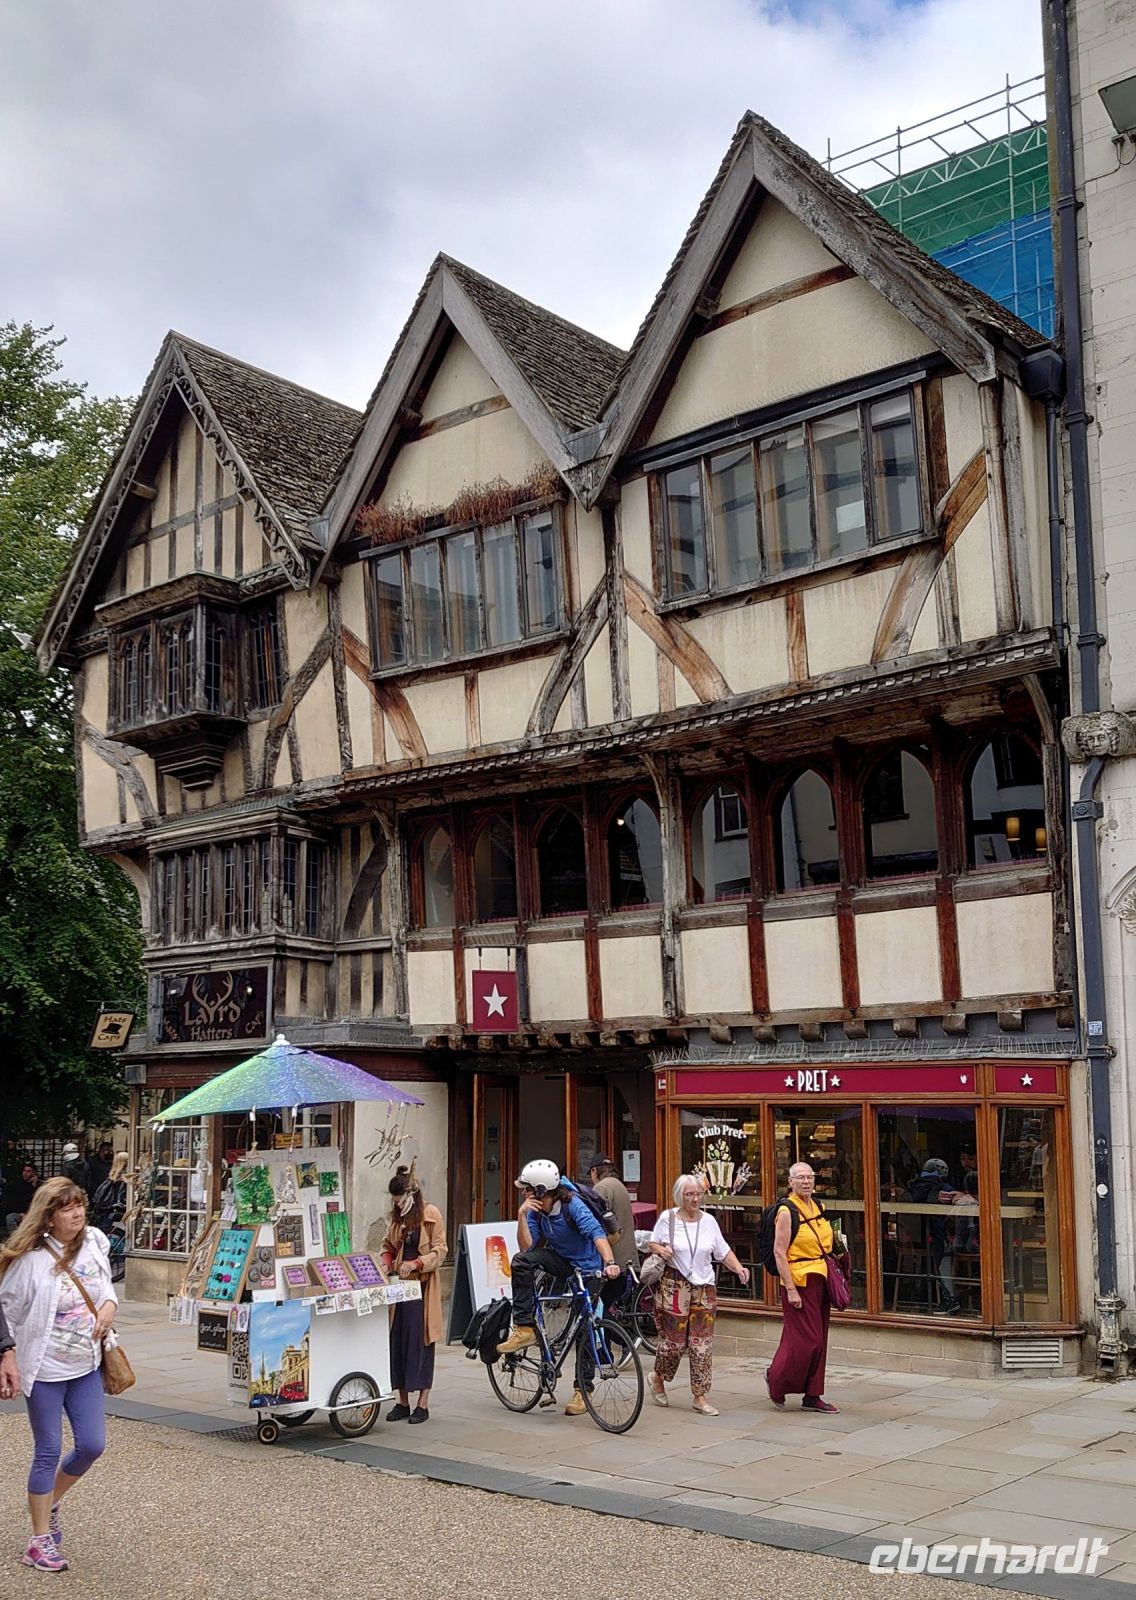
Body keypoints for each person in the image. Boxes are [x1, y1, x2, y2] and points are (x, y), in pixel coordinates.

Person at [0, 1176, 118, 1573]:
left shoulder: (95, 1244)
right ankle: (38, 1541)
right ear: (48, 1217)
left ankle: (49, 1502)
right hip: (45, 1369)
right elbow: (7, 1312)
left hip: (85, 1364)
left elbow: (107, 1289)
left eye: (80, 1205)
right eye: (67, 1208)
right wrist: (8, 1359)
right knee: (48, 1450)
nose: (77, 1213)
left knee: (92, 1445)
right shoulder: (31, 1262)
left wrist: (108, 1310)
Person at [497, 1159, 622, 1417]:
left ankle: (583, 1389)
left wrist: (609, 1263)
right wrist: (522, 1215)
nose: (524, 1193)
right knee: (521, 1262)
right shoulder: (535, 1210)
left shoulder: (572, 1206)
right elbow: (526, 1247)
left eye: (528, 1189)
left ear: (543, 1190)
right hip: (562, 1261)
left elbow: (598, 1235)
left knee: (585, 1325)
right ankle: (524, 1327)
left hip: (587, 1267)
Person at [647, 1173, 750, 1415]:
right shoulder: (668, 1218)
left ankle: (700, 1396)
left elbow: (722, 1250)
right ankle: (658, 1377)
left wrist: (739, 1268)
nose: (695, 1199)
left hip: (704, 1288)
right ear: (679, 1196)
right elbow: (653, 1243)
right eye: (690, 1195)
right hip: (675, 1285)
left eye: (698, 1194)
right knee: (673, 1343)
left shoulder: (709, 1222)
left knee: (701, 1344)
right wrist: (662, 1250)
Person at [765, 1162, 842, 1413]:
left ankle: (813, 1395)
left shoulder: (818, 1206)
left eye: (809, 1177)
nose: (806, 1182)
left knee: (820, 1340)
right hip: (799, 1281)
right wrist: (790, 1289)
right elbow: (779, 1252)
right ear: (790, 1182)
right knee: (806, 1341)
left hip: (821, 1279)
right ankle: (776, 1380)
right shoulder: (787, 1211)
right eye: (800, 1178)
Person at [379, 1163, 446, 1425]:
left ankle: (423, 1404)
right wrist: (387, 1261)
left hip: (422, 1288)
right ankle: (402, 1401)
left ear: (411, 1194)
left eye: (401, 1199)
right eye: (394, 1200)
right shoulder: (397, 1218)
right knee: (398, 1340)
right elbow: (388, 1245)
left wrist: (417, 1263)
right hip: (399, 1287)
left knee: (421, 1342)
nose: (397, 1204)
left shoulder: (431, 1214)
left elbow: (440, 1250)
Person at [906, 1157, 962, 1314]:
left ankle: (923, 1294)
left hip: (915, 1238)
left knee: (931, 1261)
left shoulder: (913, 1186)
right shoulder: (944, 1188)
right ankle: (949, 1298)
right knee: (943, 1257)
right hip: (937, 1237)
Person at [586, 1154, 637, 1271]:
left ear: (594, 1170)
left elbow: (596, 1222)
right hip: (627, 1259)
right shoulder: (620, 1185)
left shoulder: (601, 1187)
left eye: (590, 1174)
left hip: (612, 1261)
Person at [91, 1153, 129, 1235]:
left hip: (107, 1212)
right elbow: (122, 1198)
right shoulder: (125, 1179)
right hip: (117, 1212)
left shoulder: (110, 1178)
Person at [4, 1162, 39, 1235]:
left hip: (34, 1213)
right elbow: (14, 1202)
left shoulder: (38, 1186)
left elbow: (37, 1200)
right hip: (20, 1212)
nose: (25, 1173)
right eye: (24, 1171)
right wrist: (21, 1213)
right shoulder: (17, 1184)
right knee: (10, 1217)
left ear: (34, 1173)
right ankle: (15, 1238)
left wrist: (33, 1186)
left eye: (29, 1171)